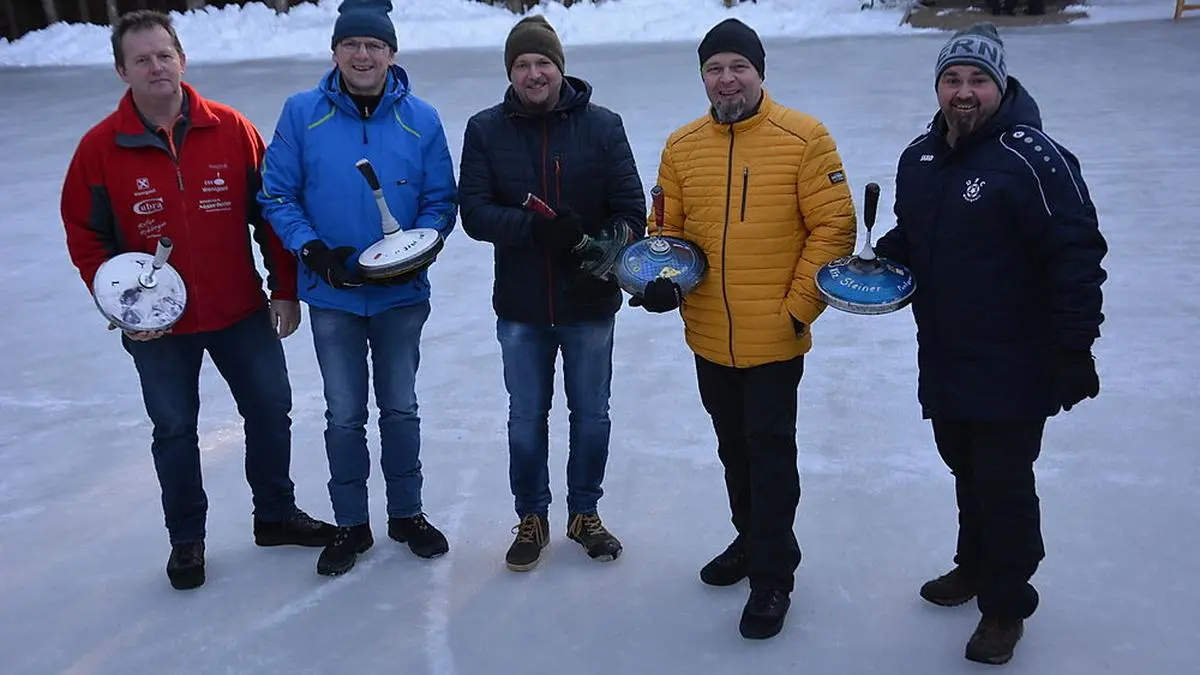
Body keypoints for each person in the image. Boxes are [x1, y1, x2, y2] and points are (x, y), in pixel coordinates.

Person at [60, 10, 336, 591]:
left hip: (239, 311)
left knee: (269, 412)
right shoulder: (99, 151)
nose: (155, 66)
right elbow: (86, 237)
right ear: (121, 71)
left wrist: (283, 289)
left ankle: (275, 514)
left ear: (182, 60)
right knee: (175, 430)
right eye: (141, 59)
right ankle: (187, 539)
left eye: (164, 54)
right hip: (159, 328)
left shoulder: (232, 130)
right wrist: (120, 307)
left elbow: (271, 215)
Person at [873, 22, 1107, 665]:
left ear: (1000, 87)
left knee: (1003, 480)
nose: (965, 92)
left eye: (978, 80)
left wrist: (1073, 346)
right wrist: (880, 262)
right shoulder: (919, 157)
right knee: (964, 466)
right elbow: (914, 234)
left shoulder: (1034, 156)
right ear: (938, 87)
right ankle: (974, 565)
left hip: (1016, 356)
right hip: (945, 352)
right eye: (953, 79)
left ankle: (1006, 603)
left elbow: (1075, 252)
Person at [631, 18, 856, 639]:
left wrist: (795, 311)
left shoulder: (804, 137)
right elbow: (665, 233)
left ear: (759, 72)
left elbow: (834, 231)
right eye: (714, 68)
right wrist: (660, 282)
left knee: (771, 454)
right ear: (702, 76)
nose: (726, 80)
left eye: (738, 67)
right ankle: (750, 539)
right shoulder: (682, 145)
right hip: (708, 334)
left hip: (774, 336)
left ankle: (773, 573)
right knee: (733, 449)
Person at [258, 0, 458, 577]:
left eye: (374, 45)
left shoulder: (421, 118)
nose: (363, 54)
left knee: (400, 407)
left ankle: (407, 513)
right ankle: (351, 521)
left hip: (400, 295)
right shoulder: (302, 114)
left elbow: (440, 200)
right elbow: (276, 195)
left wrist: (421, 245)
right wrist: (315, 252)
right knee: (344, 413)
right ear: (336, 51)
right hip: (332, 295)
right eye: (352, 45)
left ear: (392, 53)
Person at [458, 15, 645, 573]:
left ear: (560, 68)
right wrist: (533, 228)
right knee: (525, 416)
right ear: (510, 73)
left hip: (588, 303)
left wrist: (592, 241)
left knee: (591, 415)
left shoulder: (603, 126)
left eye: (543, 63)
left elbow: (632, 211)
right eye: (522, 65)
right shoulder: (486, 128)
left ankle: (584, 513)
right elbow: (474, 211)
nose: (533, 73)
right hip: (521, 307)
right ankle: (532, 516)